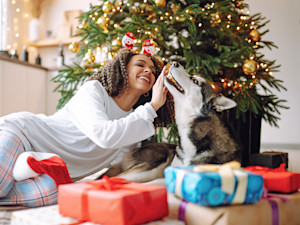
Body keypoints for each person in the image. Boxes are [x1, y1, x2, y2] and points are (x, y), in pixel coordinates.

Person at [0, 48, 175, 207]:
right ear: (122, 69)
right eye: (140, 64)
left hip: (52, 171)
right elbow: (104, 135)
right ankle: (18, 168)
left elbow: (118, 168)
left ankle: (22, 169)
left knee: (54, 192)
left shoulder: (134, 123)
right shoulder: (93, 91)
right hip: (22, 134)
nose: (148, 71)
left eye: (153, 71)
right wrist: (152, 106)